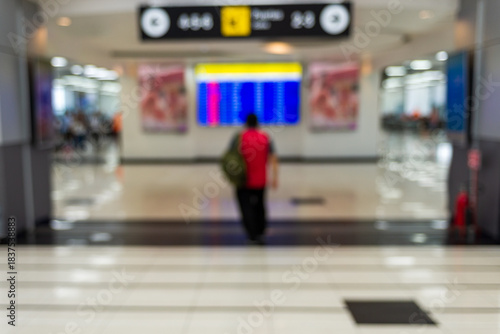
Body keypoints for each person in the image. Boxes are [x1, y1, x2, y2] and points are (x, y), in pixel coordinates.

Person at [229, 114, 279, 245]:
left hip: (243, 179)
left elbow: (230, 157)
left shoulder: (239, 138)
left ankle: (251, 234)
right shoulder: (265, 137)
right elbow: (273, 158)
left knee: (246, 207)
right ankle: (260, 232)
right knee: (260, 205)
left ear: (246, 123)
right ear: (257, 123)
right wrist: (275, 177)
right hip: (260, 179)